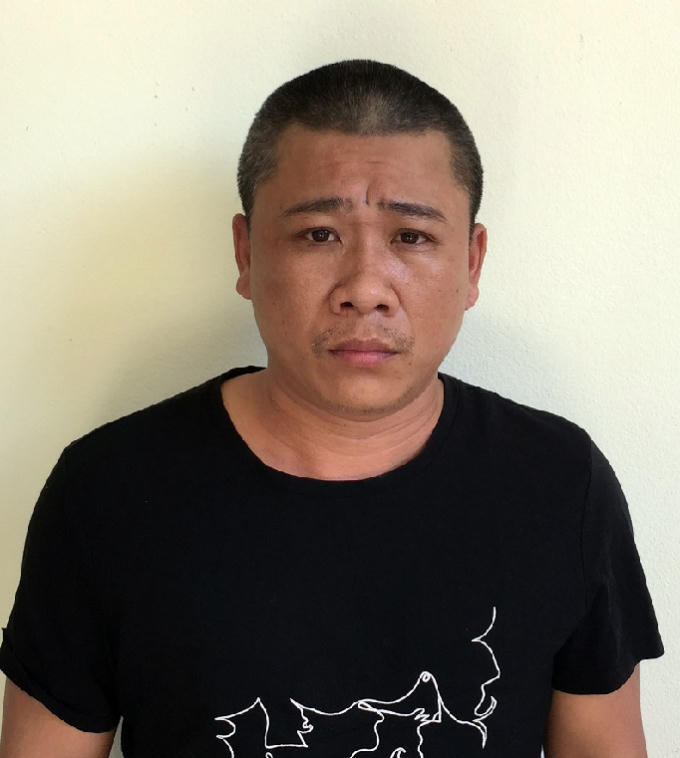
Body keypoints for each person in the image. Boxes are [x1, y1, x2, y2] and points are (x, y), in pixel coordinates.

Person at [0, 60, 663, 758]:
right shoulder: (108, 490)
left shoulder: (558, 483)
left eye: (411, 236)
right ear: (246, 253)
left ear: (472, 263)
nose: (365, 287)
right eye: (319, 234)